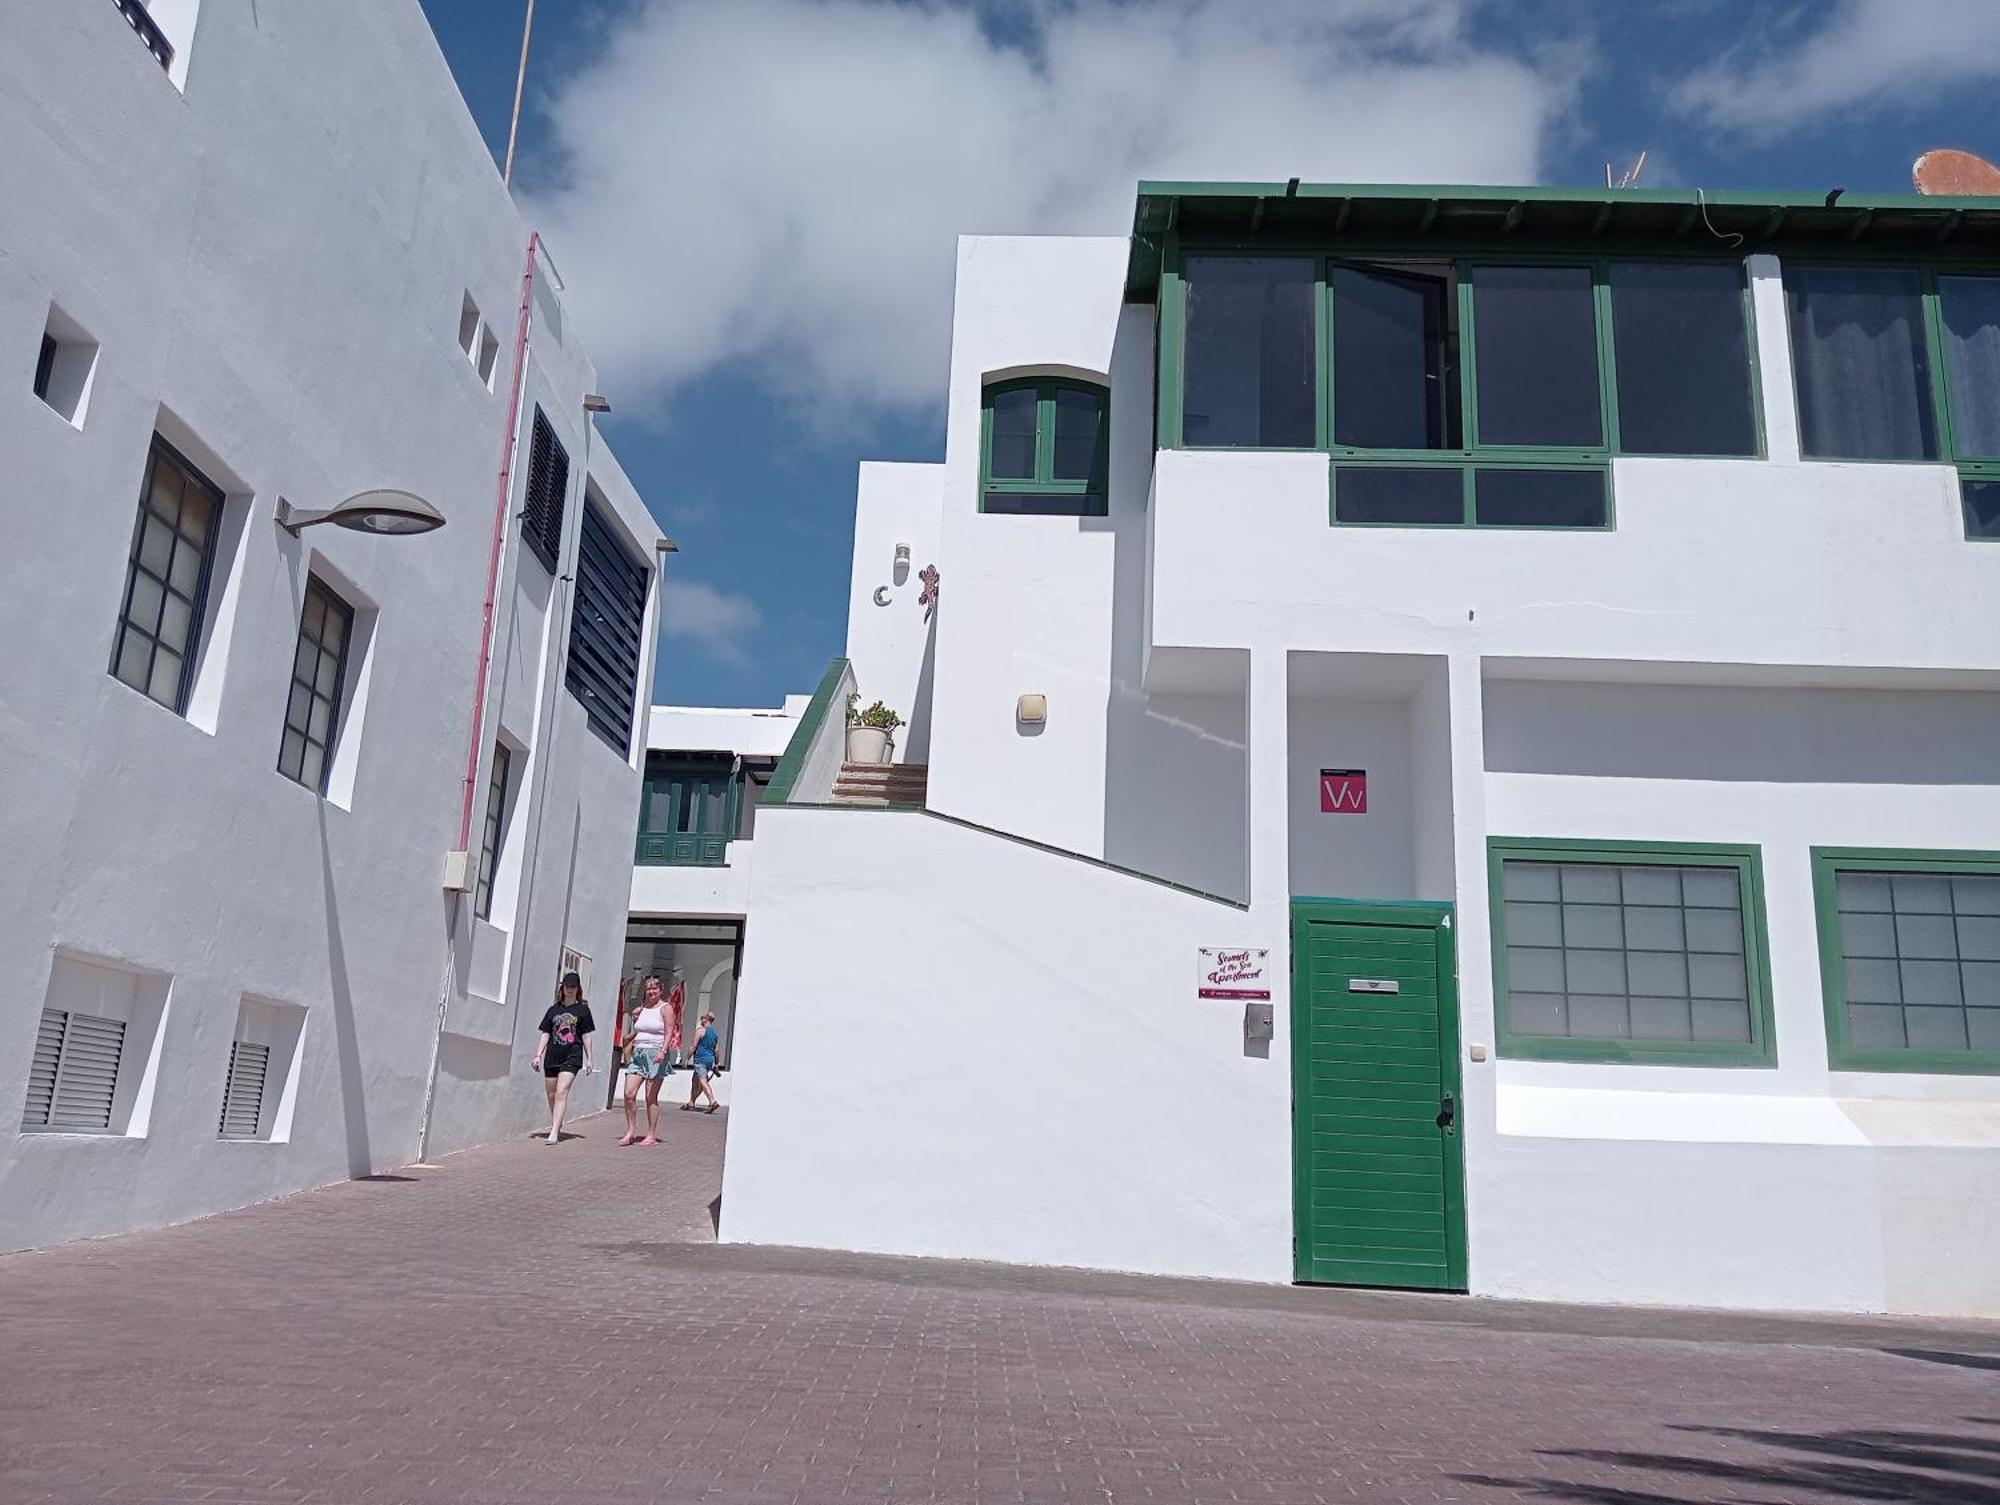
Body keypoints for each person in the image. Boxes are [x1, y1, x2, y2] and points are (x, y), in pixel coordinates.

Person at [533, 972, 594, 1145]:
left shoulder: (583, 1010)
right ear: (562, 988)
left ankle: (554, 1133)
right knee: (551, 1094)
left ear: (578, 989)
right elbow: (545, 1033)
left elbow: (587, 1035)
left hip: (572, 1056)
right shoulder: (553, 1010)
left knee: (561, 1092)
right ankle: (557, 1122)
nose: (569, 989)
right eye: (567, 986)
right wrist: (538, 1054)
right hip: (552, 1056)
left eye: (573, 986)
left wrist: (590, 1059)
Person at [618, 974, 674, 1147]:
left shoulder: (666, 1008)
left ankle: (651, 1134)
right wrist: (635, 1018)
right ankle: (631, 1131)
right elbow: (637, 1029)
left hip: (656, 1053)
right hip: (638, 1053)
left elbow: (669, 1031)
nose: (651, 992)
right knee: (629, 1093)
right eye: (648, 988)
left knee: (650, 1096)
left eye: (654, 988)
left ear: (660, 990)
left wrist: (663, 1051)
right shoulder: (641, 1009)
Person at [682, 1010, 721, 1114]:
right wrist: (716, 1063)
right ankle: (691, 1102)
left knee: (703, 1081)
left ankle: (712, 1101)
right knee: (695, 1081)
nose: (701, 1020)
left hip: (700, 1060)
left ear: (706, 1019)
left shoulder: (700, 1031)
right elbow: (717, 1050)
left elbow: (693, 1046)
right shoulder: (715, 1033)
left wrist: (686, 1058)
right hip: (709, 1060)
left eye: (702, 1018)